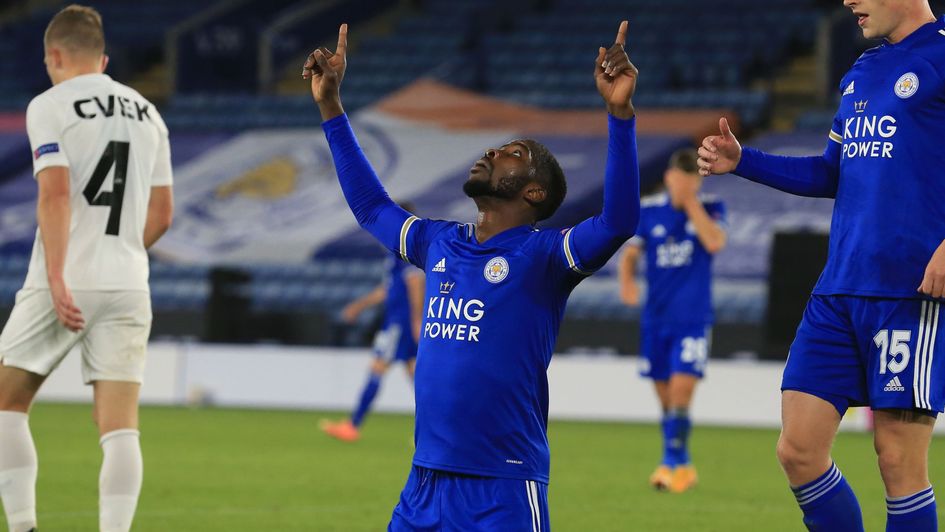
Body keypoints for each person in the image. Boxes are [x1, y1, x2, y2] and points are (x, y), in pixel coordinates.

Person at [305, 20, 640, 530]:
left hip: (502, 487)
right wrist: (331, 106)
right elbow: (372, 208)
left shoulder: (545, 256)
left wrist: (619, 115)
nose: (492, 152)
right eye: (496, 148)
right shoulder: (440, 242)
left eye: (514, 154)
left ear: (534, 193)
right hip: (423, 484)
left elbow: (617, 223)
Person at [698, 1, 943, 529]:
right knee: (798, 450)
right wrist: (743, 161)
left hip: (908, 292)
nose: (849, 1)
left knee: (898, 460)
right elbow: (832, 172)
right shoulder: (862, 69)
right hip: (838, 288)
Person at [0, 5, 173, 532]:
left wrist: (58, 275)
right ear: (103, 59)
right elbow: (162, 215)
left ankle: (24, 526)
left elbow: (54, 195)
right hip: (128, 282)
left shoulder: (49, 105)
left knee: (6, 403)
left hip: (67, 279)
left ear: (54, 56)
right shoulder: (148, 113)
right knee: (119, 429)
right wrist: (119, 251)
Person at [618, 148, 726, 493]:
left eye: (691, 181)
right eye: (680, 181)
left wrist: (691, 202)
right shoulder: (649, 211)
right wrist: (627, 282)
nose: (684, 186)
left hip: (693, 319)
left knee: (681, 390)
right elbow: (630, 255)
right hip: (656, 319)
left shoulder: (711, 208)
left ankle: (669, 464)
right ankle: (682, 463)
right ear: (669, 178)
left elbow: (714, 242)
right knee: (665, 397)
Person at [322, 206, 425, 442]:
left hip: (399, 323)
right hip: (398, 320)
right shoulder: (397, 249)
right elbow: (389, 290)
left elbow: (415, 282)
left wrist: (416, 320)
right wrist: (359, 306)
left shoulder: (406, 248)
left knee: (379, 366)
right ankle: (439, 429)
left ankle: (353, 424)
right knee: (416, 374)